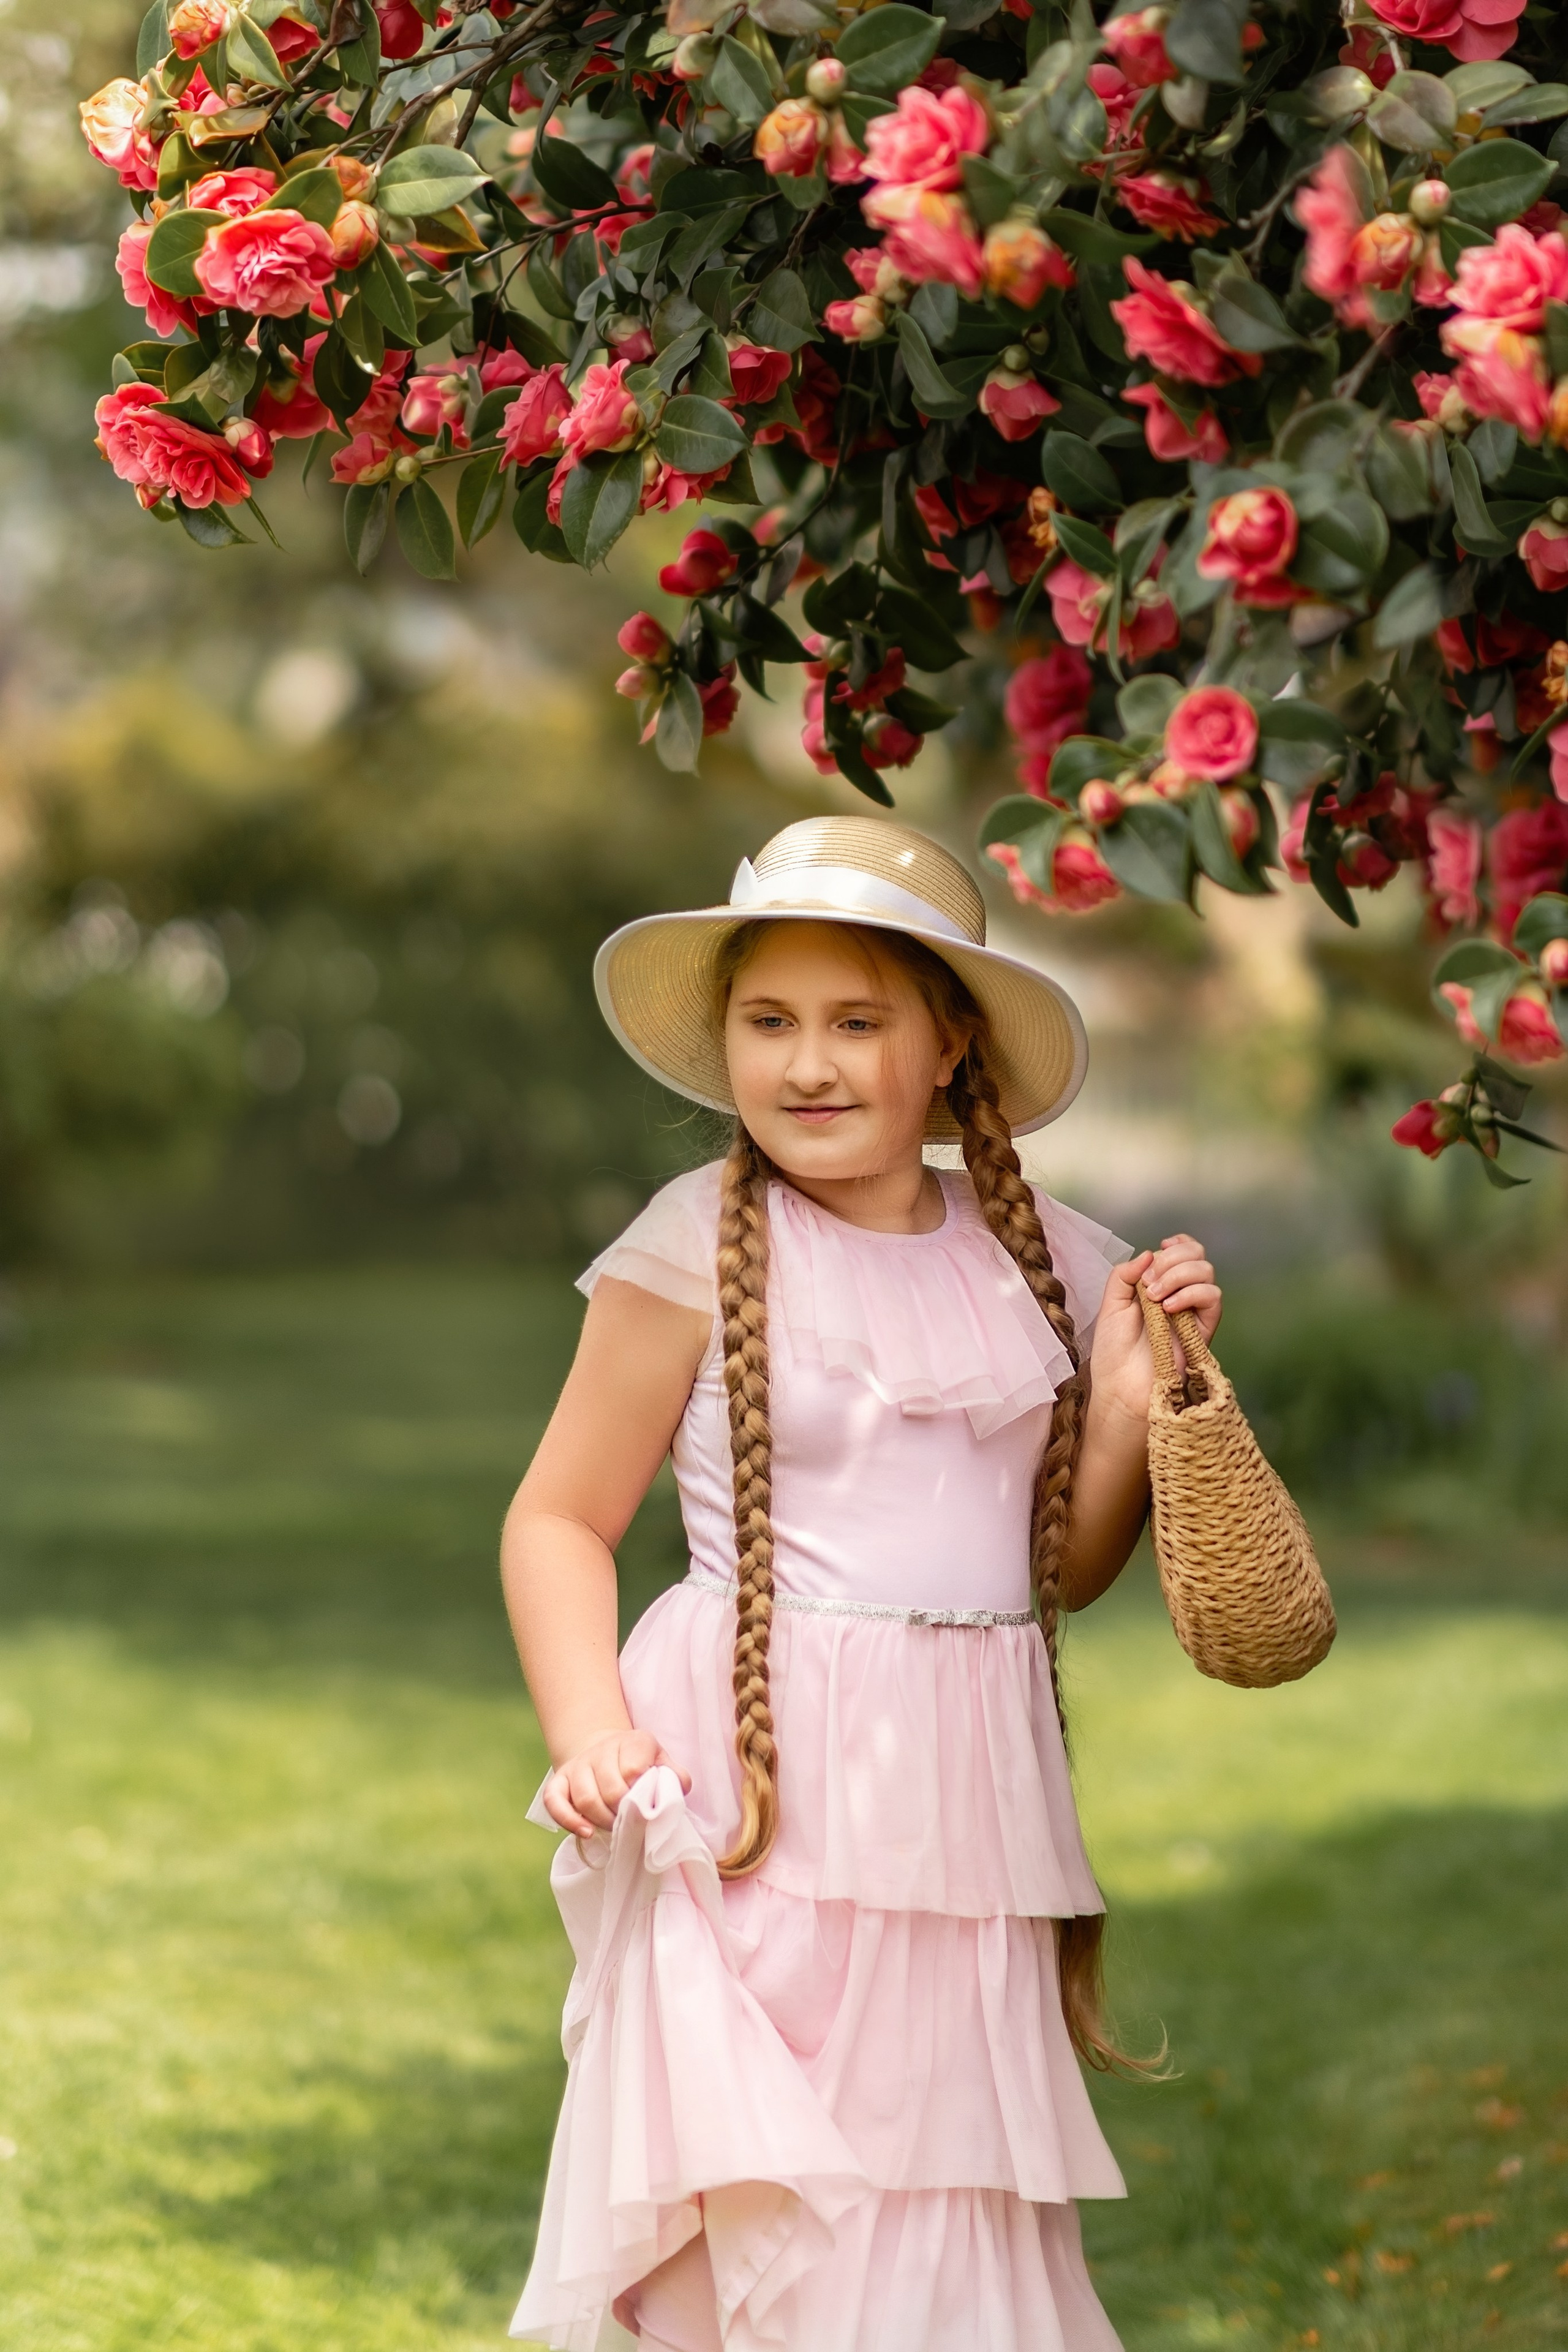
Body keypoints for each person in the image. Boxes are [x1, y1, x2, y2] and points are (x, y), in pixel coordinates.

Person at [502, 815, 1221, 2352]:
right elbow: (558, 1516)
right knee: (777, 2188)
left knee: (933, 2187)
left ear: (950, 1044)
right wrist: (588, 1733)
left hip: (960, 1809)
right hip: (754, 1797)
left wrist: (1122, 1399)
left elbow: (1057, 1572)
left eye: (855, 1022)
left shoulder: (1045, 1260)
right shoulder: (693, 1246)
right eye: (769, 1022)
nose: (807, 1064)